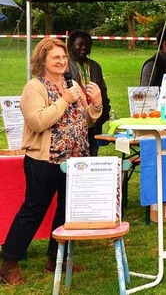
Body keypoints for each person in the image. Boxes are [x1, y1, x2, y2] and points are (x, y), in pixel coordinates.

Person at [0, 39, 103, 285]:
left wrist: (96, 103)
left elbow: (83, 121)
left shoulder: (72, 84)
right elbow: (38, 122)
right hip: (45, 160)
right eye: (55, 57)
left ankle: (57, 259)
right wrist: (65, 99)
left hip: (75, 160)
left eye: (63, 57)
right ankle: (9, 262)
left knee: (66, 210)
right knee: (34, 210)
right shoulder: (34, 88)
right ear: (42, 60)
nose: (61, 61)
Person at [66, 30, 111, 157]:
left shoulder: (95, 66)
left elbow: (102, 90)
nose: (84, 48)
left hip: (94, 120)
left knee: (92, 155)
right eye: (80, 44)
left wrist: (103, 114)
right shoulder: (65, 66)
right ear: (70, 45)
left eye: (87, 45)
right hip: (72, 122)